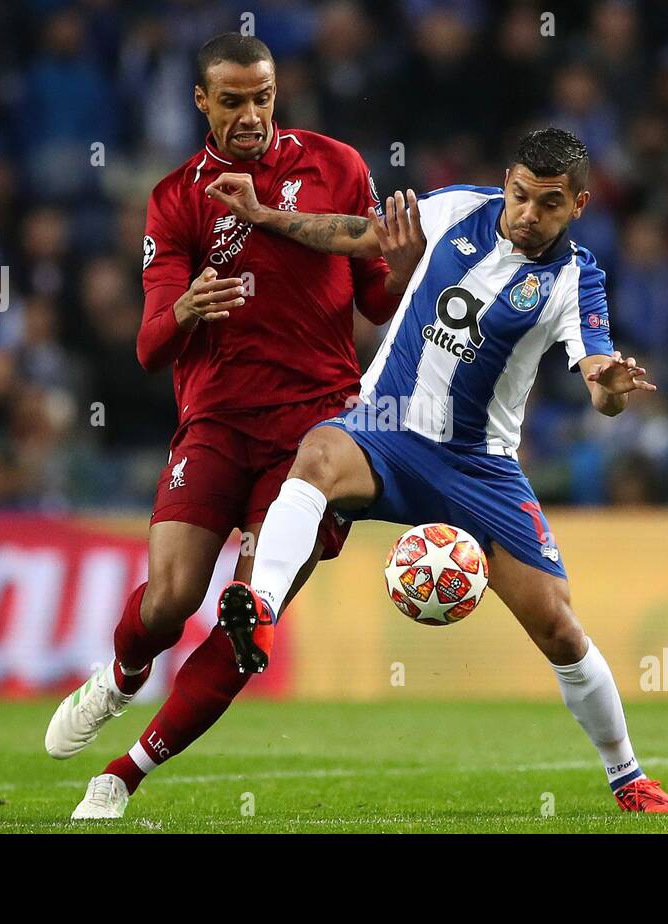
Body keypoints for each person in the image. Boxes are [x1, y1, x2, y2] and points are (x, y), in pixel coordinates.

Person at [203, 127, 668, 813]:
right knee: (315, 454)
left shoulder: (578, 280)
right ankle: (262, 609)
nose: (527, 213)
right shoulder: (461, 208)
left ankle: (629, 777)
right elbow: (358, 235)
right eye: (520, 195)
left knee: (558, 628)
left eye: (548, 204)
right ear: (506, 181)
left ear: (578, 206)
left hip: (479, 467)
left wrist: (610, 385)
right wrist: (263, 215)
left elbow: (599, 386)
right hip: (387, 428)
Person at [45, 32, 426, 820]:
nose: (250, 115)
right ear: (201, 101)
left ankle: (123, 774)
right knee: (171, 599)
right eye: (232, 100)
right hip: (215, 421)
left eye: (262, 97)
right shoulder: (176, 197)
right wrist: (184, 308)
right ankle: (120, 677)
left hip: (316, 436)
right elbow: (152, 347)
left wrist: (407, 263)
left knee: (250, 612)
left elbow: (377, 302)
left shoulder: (336, 166)